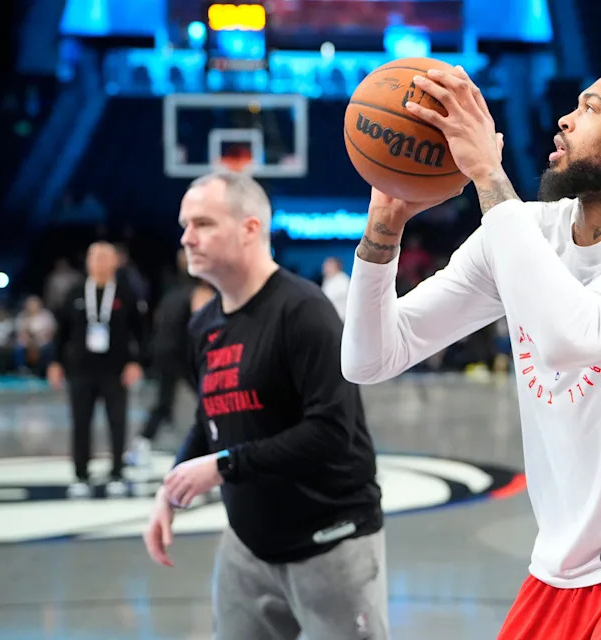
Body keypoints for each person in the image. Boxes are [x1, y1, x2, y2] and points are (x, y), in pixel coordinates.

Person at [343, 65, 601, 638]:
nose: (565, 120)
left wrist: (488, 174)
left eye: (591, 108)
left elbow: (573, 336)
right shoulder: (524, 231)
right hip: (557, 565)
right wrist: (383, 230)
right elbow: (369, 360)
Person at [142, 172, 388, 640]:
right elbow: (210, 418)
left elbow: (331, 432)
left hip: (330, 541)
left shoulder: (304, 311)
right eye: (185, 225)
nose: (187, 238)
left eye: (203, 224)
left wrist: (224, 466)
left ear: (250, 228)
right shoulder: (204, 325)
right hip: (248, 546)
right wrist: (171, 488)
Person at [48, 242, 146, 499]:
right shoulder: (75, 293)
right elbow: (61, 332)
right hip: (81, 370)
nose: (100, 261)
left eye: (105, 256)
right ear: (88, 261)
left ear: (115, 261)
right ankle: (81, 474)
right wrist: (56, 363)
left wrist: (136, 362)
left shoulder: (125, 293)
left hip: (115, 370)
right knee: (80, 422)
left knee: (117, 422)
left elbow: (140, 331)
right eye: (95, 256)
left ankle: (117, 472)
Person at [127, 250, 214, 468]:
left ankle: (143, 443)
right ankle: (144, 444)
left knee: (168, 402)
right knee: (206, 399)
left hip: (163, 351)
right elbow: (205, 325)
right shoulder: (199, 293)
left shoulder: (170, 293)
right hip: (180, 353)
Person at [320, 256, 351, 321]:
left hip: (341, 318)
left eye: (328, 265)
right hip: (332, 317)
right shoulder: (328, 280)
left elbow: (329, 299)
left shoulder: (342, 281)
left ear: (335, 266)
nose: (324, 268)